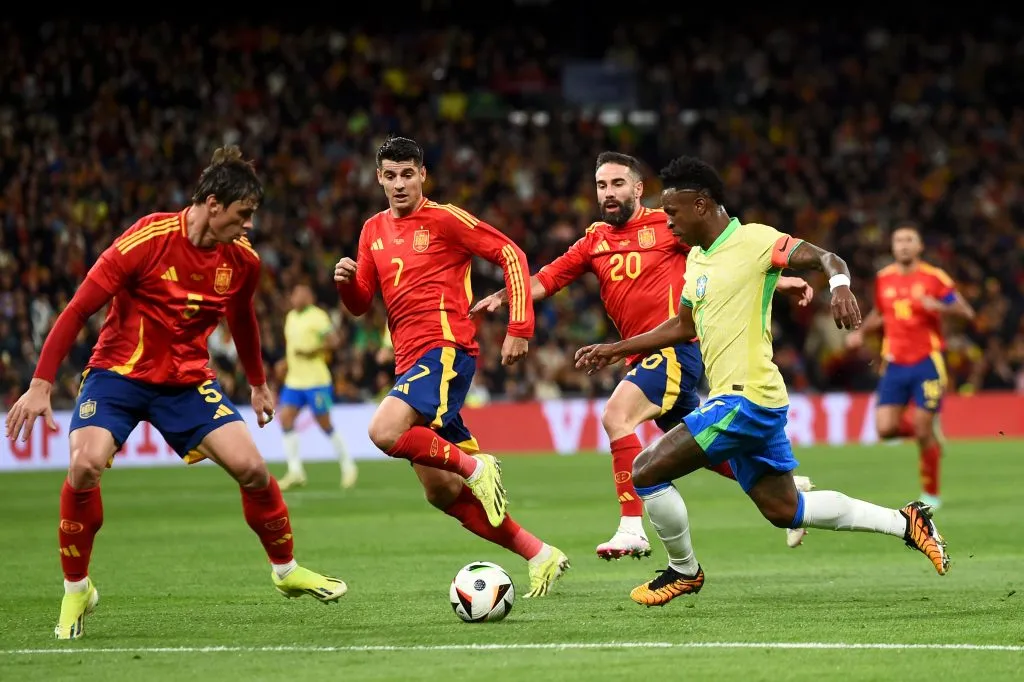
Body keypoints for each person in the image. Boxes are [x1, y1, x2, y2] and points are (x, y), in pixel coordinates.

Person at [4, 147, 348, 640]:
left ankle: (286, 570)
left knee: (252, 467)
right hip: (117, 376)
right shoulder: (147, 239)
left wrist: (257, 383)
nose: (249, 226)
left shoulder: (242, 262)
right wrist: (40, 383)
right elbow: (79, 308)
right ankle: (77, 588)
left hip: (186, 382)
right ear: (212, 204)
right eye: (242, 214)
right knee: (83, 465)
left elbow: (243, 320)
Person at [575, 156, 949, 607]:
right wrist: (615, 349)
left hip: (744, 399)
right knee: (786, 509)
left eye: (672, 213)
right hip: (753, 401)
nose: (666, 222)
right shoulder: (696, 259)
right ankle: (906, 521)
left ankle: (683, 571)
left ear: (701, 204)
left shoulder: (756, 241)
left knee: (646, 472)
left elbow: (827, 257)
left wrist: (841, 286)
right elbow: (681, 326)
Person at [471, 152, 816, 558]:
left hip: (671, 350)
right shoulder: (594, 240)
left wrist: (778, 282)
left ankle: (632, 527)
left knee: (616, 416)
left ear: (637, 189)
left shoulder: (667, 226)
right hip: (642, 356)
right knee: (698, 448)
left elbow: (722, 265)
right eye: (602, 186)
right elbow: (547, 279)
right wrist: (503, 295)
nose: (609, 193)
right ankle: (789, 489)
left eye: (618, 184)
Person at [334, 136, 569, 597]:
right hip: (410, 362)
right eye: (390, 175)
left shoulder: (445, 219)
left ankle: (478, 468)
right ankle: (540, 554)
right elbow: (361, 303)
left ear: (423, 175)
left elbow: (511, 255)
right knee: (440, 491)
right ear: (378, 178)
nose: (399, 184)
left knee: (384, 431)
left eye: (408, 174)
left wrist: (519, 327)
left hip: (444, 349)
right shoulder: (371, 230)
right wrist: (345, 283)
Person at [846, 225, 974, 509]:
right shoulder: (883, 279)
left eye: (909, 240)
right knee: (885, 428)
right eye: (898, 241)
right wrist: (861, 333)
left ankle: (931, 493)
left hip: (927, 361)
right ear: (892, 247)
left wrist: (939, 306)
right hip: (894, 363)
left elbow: (966, 311)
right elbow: (880, 313)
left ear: (919, 247)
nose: (903, 245)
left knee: (922, 427)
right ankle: (928, 432)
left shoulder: (934, 278)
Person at [277, 283, 358, 490]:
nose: (297, 298)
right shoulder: (290, 318)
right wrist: (285, 363)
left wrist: (312, 350)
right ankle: (295, 471)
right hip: (294, 381)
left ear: (309, 297)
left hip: (317, 382)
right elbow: (293, 348)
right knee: (285, 419)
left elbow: (335, 341)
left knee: (324, 424)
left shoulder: (318, 316)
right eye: (295, 294)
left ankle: (348, 465)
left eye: (302, 294)